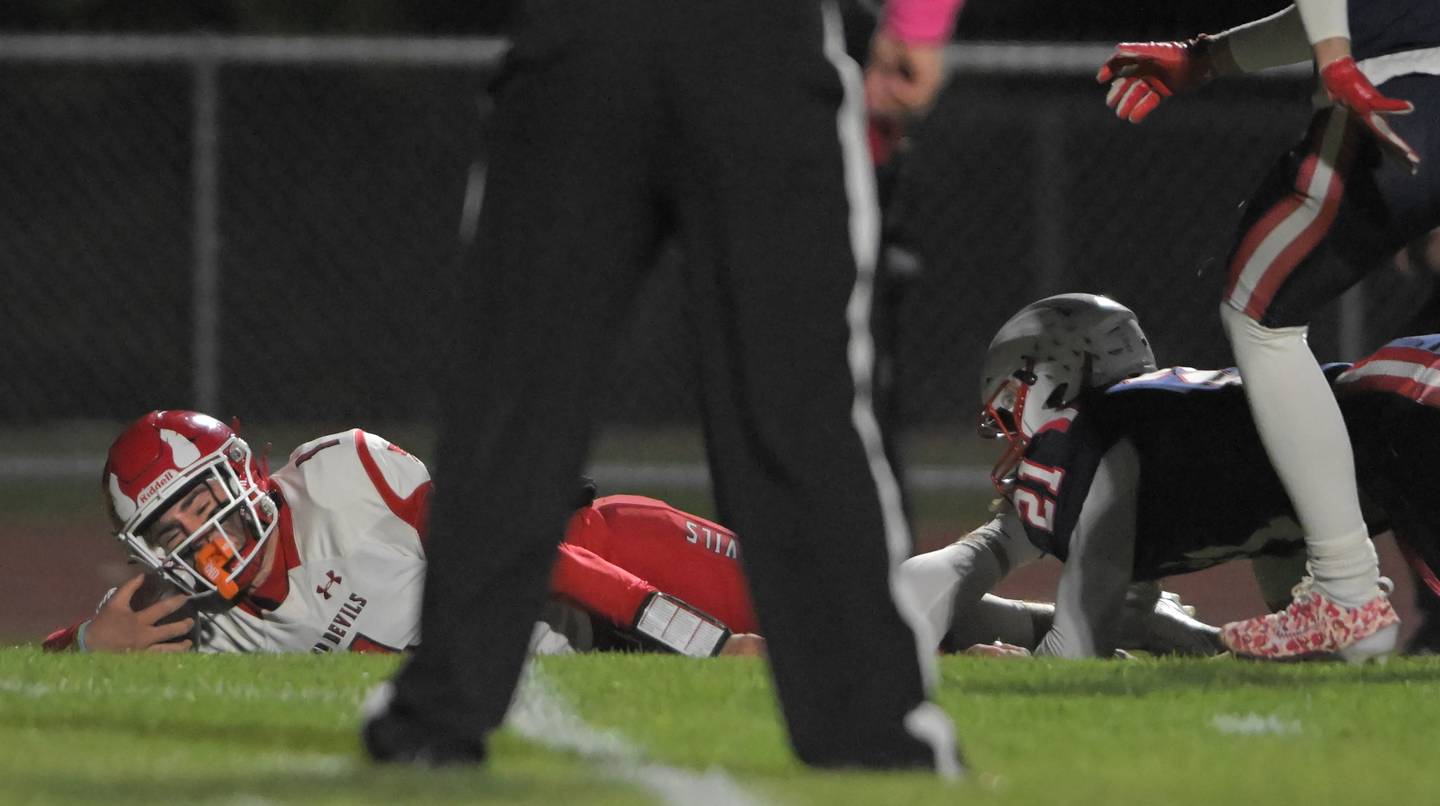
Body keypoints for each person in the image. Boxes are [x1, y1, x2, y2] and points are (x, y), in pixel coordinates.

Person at [365, 0, 968, 773]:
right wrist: (919, 23)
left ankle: (437, 718)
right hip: (759, 45)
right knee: (799, 408)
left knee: (516, 400)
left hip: (582, 42)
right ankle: (871, 734)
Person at [1095, 1, 1440, 660]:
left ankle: (1348, 594)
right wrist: (1207, 58)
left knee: (1259, 311)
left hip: (1406, 95)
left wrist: (1336, 59)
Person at [904, 295, 1440, 660]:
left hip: (1410, 409)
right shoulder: (1192, 442)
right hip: (1409, 399)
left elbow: (1073, 650)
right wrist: (1181, 634)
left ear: (1050, 381)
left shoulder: (1088, 441)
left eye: (1008, 413)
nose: (1012, 435)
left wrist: (1018, 663)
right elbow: (1319, 646)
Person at [44, 410, 763, 657]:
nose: (204, 535)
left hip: (603, 569)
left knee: (831, 616)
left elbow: (518, 553)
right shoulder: (192, 625)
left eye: (201, 501)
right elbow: (26, 682)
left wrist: (710, 643)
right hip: (552, 665)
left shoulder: (344, 476)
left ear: (245, 469)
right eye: (172, 528)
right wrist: (85, 643)